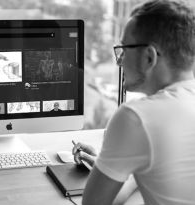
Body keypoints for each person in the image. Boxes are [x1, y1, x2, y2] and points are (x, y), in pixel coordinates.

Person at [73, 0, 195, 204]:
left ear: (149, 57)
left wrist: (121, 169)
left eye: (124, 49)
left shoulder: (136, 117)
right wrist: (121, 166)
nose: (119, 60)